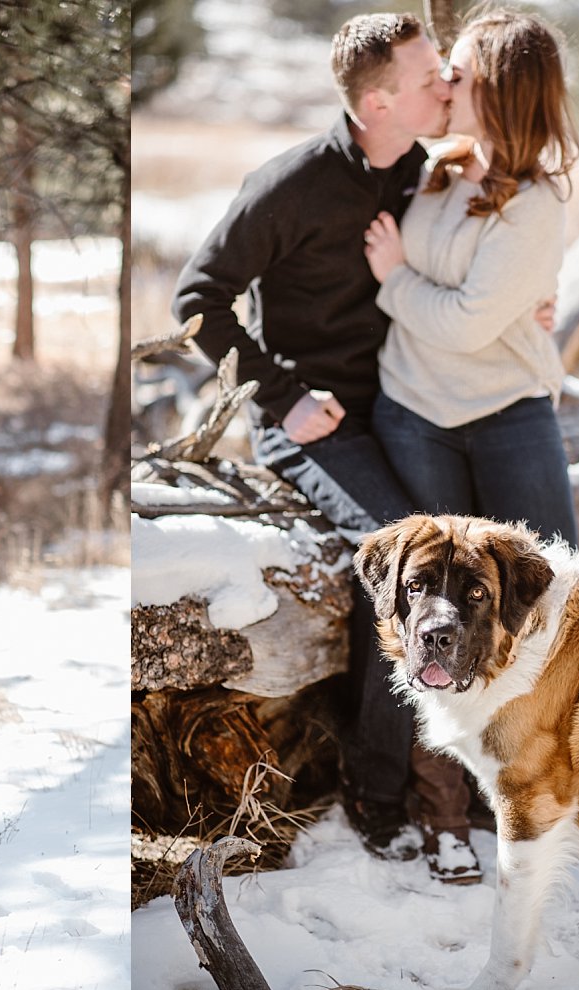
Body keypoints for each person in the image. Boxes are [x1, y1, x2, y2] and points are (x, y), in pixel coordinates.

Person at [171, 13, 495, 884]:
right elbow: (199, 299)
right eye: (432, 77)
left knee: (480, 548)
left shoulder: (427, 172)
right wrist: (279, 395)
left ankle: (474, 778)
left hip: (406, 405)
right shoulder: (291, 184)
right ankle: (377, 795)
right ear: (381, 98)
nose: (448, 89)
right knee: (407, 556)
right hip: (309, 424)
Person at [362, 9, 579, 549]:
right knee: (433, 602)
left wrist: (394, 277)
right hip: (412, 412)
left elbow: (465, 326)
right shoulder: (433, 167)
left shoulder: (535, 203)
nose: (442, 87)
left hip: (507, 417)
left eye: (456, 77)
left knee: (546, 596)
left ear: (499, 92)